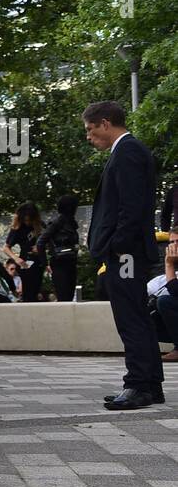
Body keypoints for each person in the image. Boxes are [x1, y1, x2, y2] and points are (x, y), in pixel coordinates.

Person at [84, 101, 165, 410]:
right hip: (127, 251)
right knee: (137, 317)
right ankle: (149, 385)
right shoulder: (127, 151)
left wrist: (116, 246)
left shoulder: (128, 151)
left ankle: (138, 385)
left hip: (126, 253)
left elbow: (130, 209)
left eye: (91, 131)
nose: (90, 138)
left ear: (106, 123)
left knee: (131, 318)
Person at [36, 194, 81, 301]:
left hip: (70, 262)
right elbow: (40, 242)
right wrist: (45, 264)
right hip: (59, 263)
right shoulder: (57, 223)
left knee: (69, 296)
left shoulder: (71, 223)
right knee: (64, 296)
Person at [2, 202, 46, 302]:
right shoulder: (17, 228)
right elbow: (6, 248)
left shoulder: (41, 225)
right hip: (25, 263)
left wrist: (41, 247)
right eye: (25, 220)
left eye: (29, 220)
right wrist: (16, 258)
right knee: (28, 291)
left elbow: (49, 241)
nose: (27, 222)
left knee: (36, 290)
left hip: (38, 262)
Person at [151, 240, 178, 363]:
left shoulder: (170, 265)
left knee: (165, 302)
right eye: (172, 242)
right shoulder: (161, 275)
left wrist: (169, 264)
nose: (174, 246)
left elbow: (175, 291)